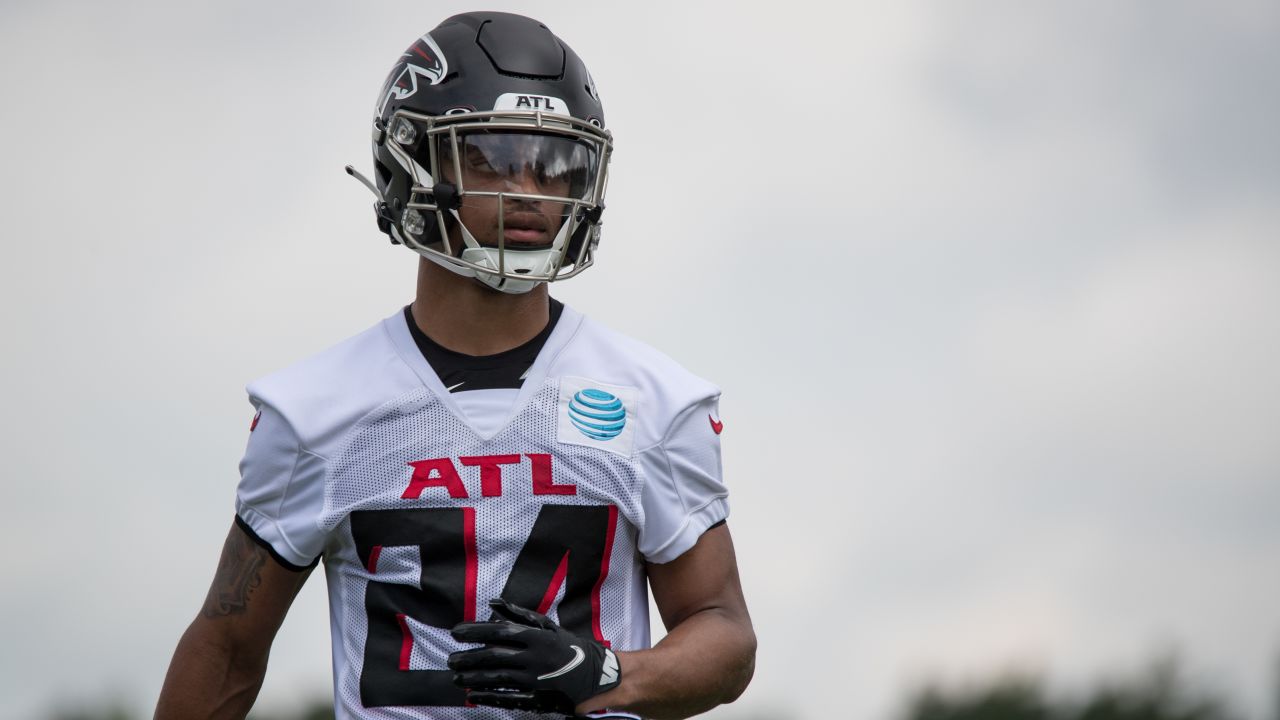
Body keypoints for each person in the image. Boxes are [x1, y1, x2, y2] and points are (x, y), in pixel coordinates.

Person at [156, 11, 755, 720]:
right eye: (493, 157)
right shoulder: (314, 411)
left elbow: (724, 632)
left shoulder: (651, 400)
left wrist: (611, 672)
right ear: (410, 164)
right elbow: (228, 649)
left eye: (556, 164)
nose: (530, 188)